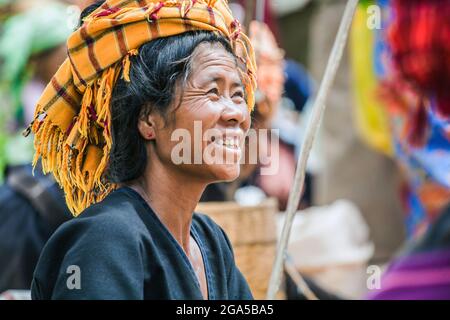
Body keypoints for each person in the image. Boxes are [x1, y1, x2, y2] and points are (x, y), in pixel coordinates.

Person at [28, 0, 257, 300]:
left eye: (238, 95)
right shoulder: (105, 241)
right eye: (213, 92)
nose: (236, 114)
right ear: (149, 119)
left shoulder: (211, 242)